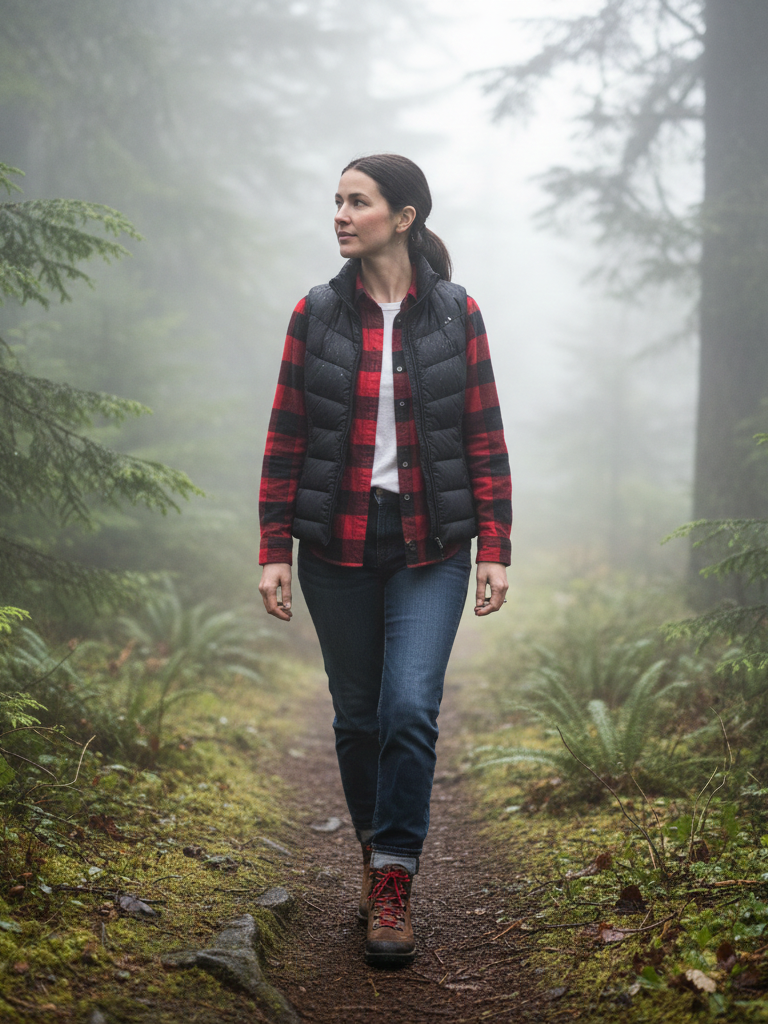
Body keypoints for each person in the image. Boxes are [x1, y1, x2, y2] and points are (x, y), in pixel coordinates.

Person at [258, 153, 512, 966]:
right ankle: (379, 857)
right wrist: (273, 550)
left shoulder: (455, 315)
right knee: (358, 716)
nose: (339, 214)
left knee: (409, 709)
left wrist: (495, 550)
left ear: (402, 216)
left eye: (357, 201)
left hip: (430, 545)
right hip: (335, 544)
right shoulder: (315, 314)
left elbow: (483, 435)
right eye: (335, 200)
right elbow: (286, 437)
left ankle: (395, 879)